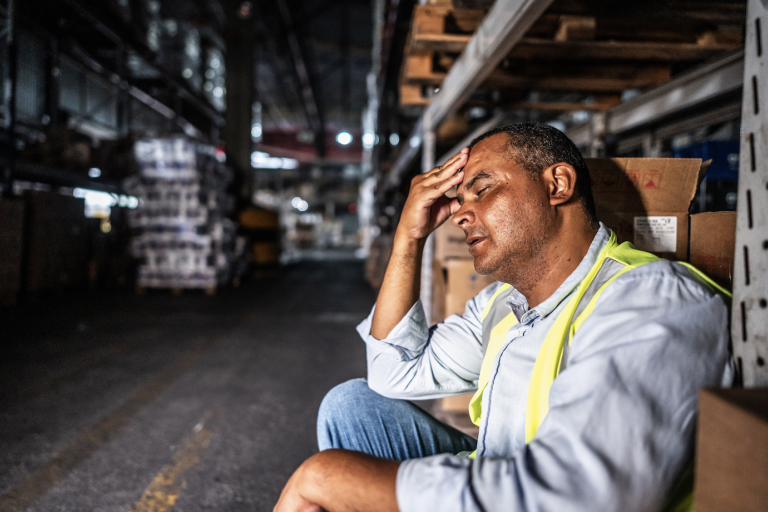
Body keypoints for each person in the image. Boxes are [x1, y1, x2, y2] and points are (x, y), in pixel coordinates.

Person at [274, 123, 733, 512]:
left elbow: (577, 497)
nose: (460, 214)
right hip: (502, 471)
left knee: (335, 472)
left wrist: (326, 477)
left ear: (558, 185)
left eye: (483, 188)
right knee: (352, 406)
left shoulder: (650, 300)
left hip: (548, 497)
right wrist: (408, 239)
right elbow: (394, 373)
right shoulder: (504, 304)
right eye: (459, 198)